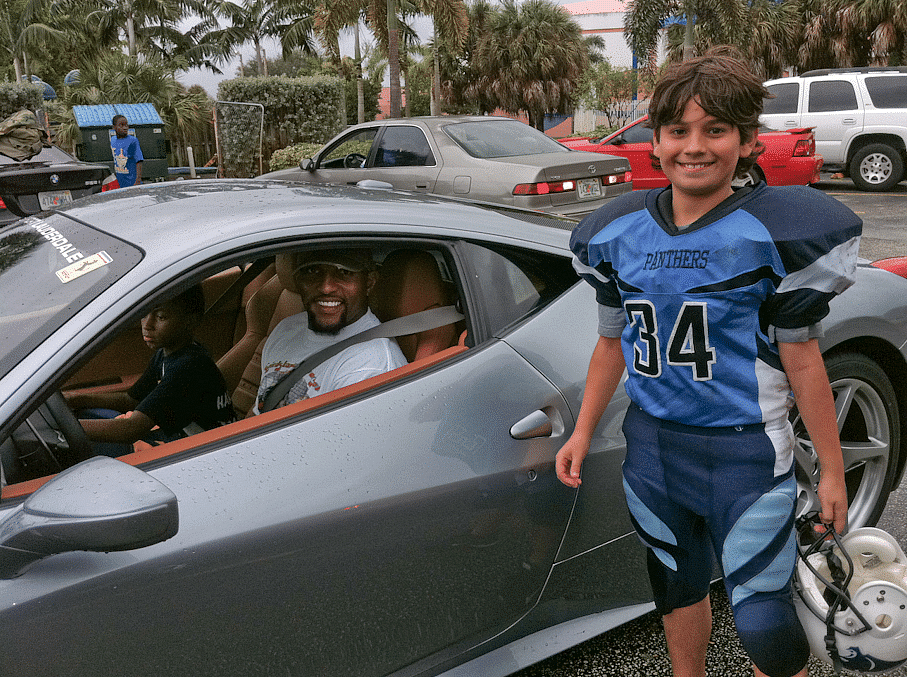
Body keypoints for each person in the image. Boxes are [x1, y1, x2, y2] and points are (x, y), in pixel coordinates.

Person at [557, 48, 861, 677]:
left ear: (747, 142)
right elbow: (612, 344)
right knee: (675, 586)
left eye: (715, 130)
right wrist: (582, 433)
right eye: (678, 131)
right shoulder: (616, 234)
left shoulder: (774, 233)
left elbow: (803, 362)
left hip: (746, 454)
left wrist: (831, 471)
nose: (695, 147)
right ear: (656, 142)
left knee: (764, 623)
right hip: (654, 450)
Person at [66, 286, 236, 451]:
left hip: (200, 449)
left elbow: (130, 430)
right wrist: (75, 399)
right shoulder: (168, 352)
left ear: (190, 321)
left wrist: (64, 428)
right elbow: (131, 399)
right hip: (178, 436)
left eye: (161, 317)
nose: (147, 324)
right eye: (145, 312)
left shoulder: (189, 366)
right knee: (87, 414)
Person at [253, 248, 407, 414]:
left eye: (344, 272)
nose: (326, 288)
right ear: (298, 281)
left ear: (369, 282)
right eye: (312, 271)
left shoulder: (371, 365)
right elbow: (259, 414)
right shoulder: (287, 329)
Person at [110, 114, 143, 187]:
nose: (125, 128)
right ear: (114, 127)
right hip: (120, 184)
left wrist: (137, 182)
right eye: (121, 125)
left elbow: (139, 161)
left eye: (126, 125)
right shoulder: (113, 140)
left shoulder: (133, 141)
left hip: (132, 184)